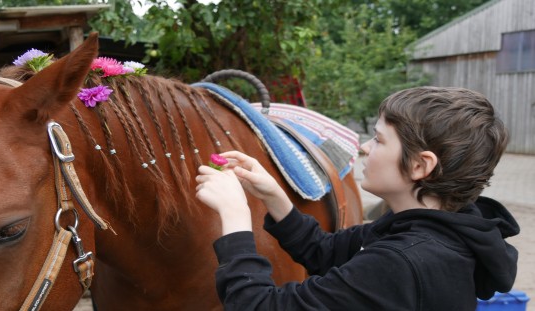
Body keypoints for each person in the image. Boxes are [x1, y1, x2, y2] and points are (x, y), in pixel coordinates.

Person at [195, 86, 519, 310]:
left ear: (420, 165)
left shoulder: (403, 261)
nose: (364, 147)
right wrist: (275, 197)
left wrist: (236, 219)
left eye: (378, 139)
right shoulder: (430, 228)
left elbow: (258, 306)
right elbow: (325, 251)